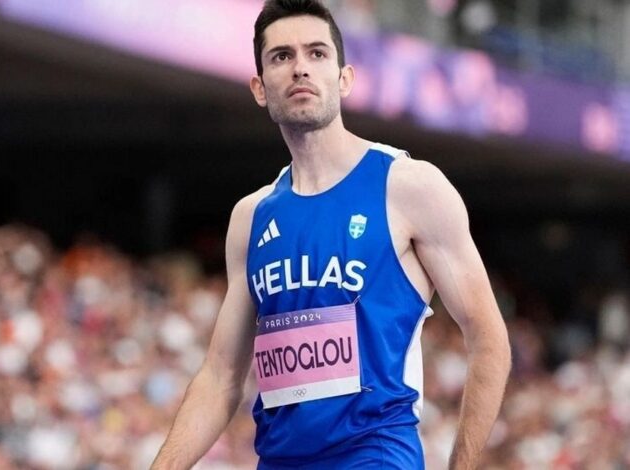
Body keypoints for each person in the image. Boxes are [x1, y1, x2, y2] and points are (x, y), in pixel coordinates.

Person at [152, 0, 511, 468]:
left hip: (374, 454)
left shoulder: (408, 187)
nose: (300, 68)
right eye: (282, 56)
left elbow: (488, 338)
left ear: (344, 78)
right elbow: (220, 377)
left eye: (317, 53)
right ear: (260, 87)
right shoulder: (251, 217)